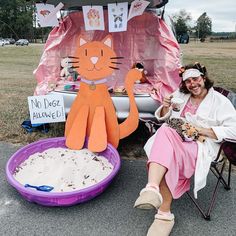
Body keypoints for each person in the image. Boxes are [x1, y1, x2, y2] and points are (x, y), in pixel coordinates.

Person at [133, 62, 236, 236]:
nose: (192, 84)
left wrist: (201, 130)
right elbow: (166, 118)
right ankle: (155, 196)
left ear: (203, 78)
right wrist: (166, 106)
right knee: (166, 130)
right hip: (176, 137)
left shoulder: (219, 101)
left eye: (195, 79)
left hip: (202, 144)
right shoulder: (181, 94)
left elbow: (234, 129)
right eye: (188, 81)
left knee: (167, 155)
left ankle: (160, 206)